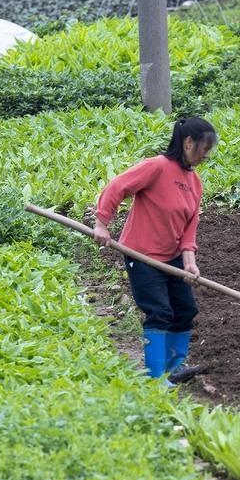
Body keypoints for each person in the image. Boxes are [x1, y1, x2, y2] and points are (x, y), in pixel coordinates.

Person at [93, 117, 217, 384]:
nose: (206, 155)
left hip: (172, 257)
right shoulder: (157, 167)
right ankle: (156, 378)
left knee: (185, 310)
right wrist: (102, 223)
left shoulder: (194, 182)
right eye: (204, 148)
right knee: (160, 312)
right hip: (142, 256)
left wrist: (189, 262)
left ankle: (174, 369)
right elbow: (118, 186)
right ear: (188, 143)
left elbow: (190, 227)